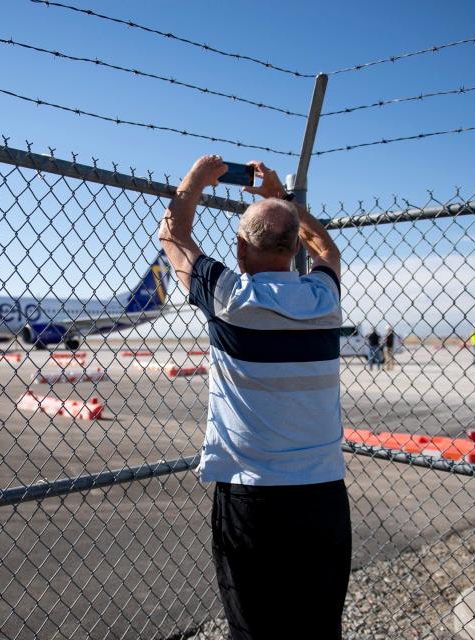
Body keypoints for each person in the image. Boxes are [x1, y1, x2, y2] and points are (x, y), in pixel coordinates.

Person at [159, 155, 350, 639]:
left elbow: (173, 238)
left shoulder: (229, 297)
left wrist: (197, 178)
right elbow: (326, 246)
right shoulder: (324, 300)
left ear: (241, 251)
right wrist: (279, 201)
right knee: (318, 628)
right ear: (292, 251)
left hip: (253, 497)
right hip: (324, 494)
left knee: (255, 630)